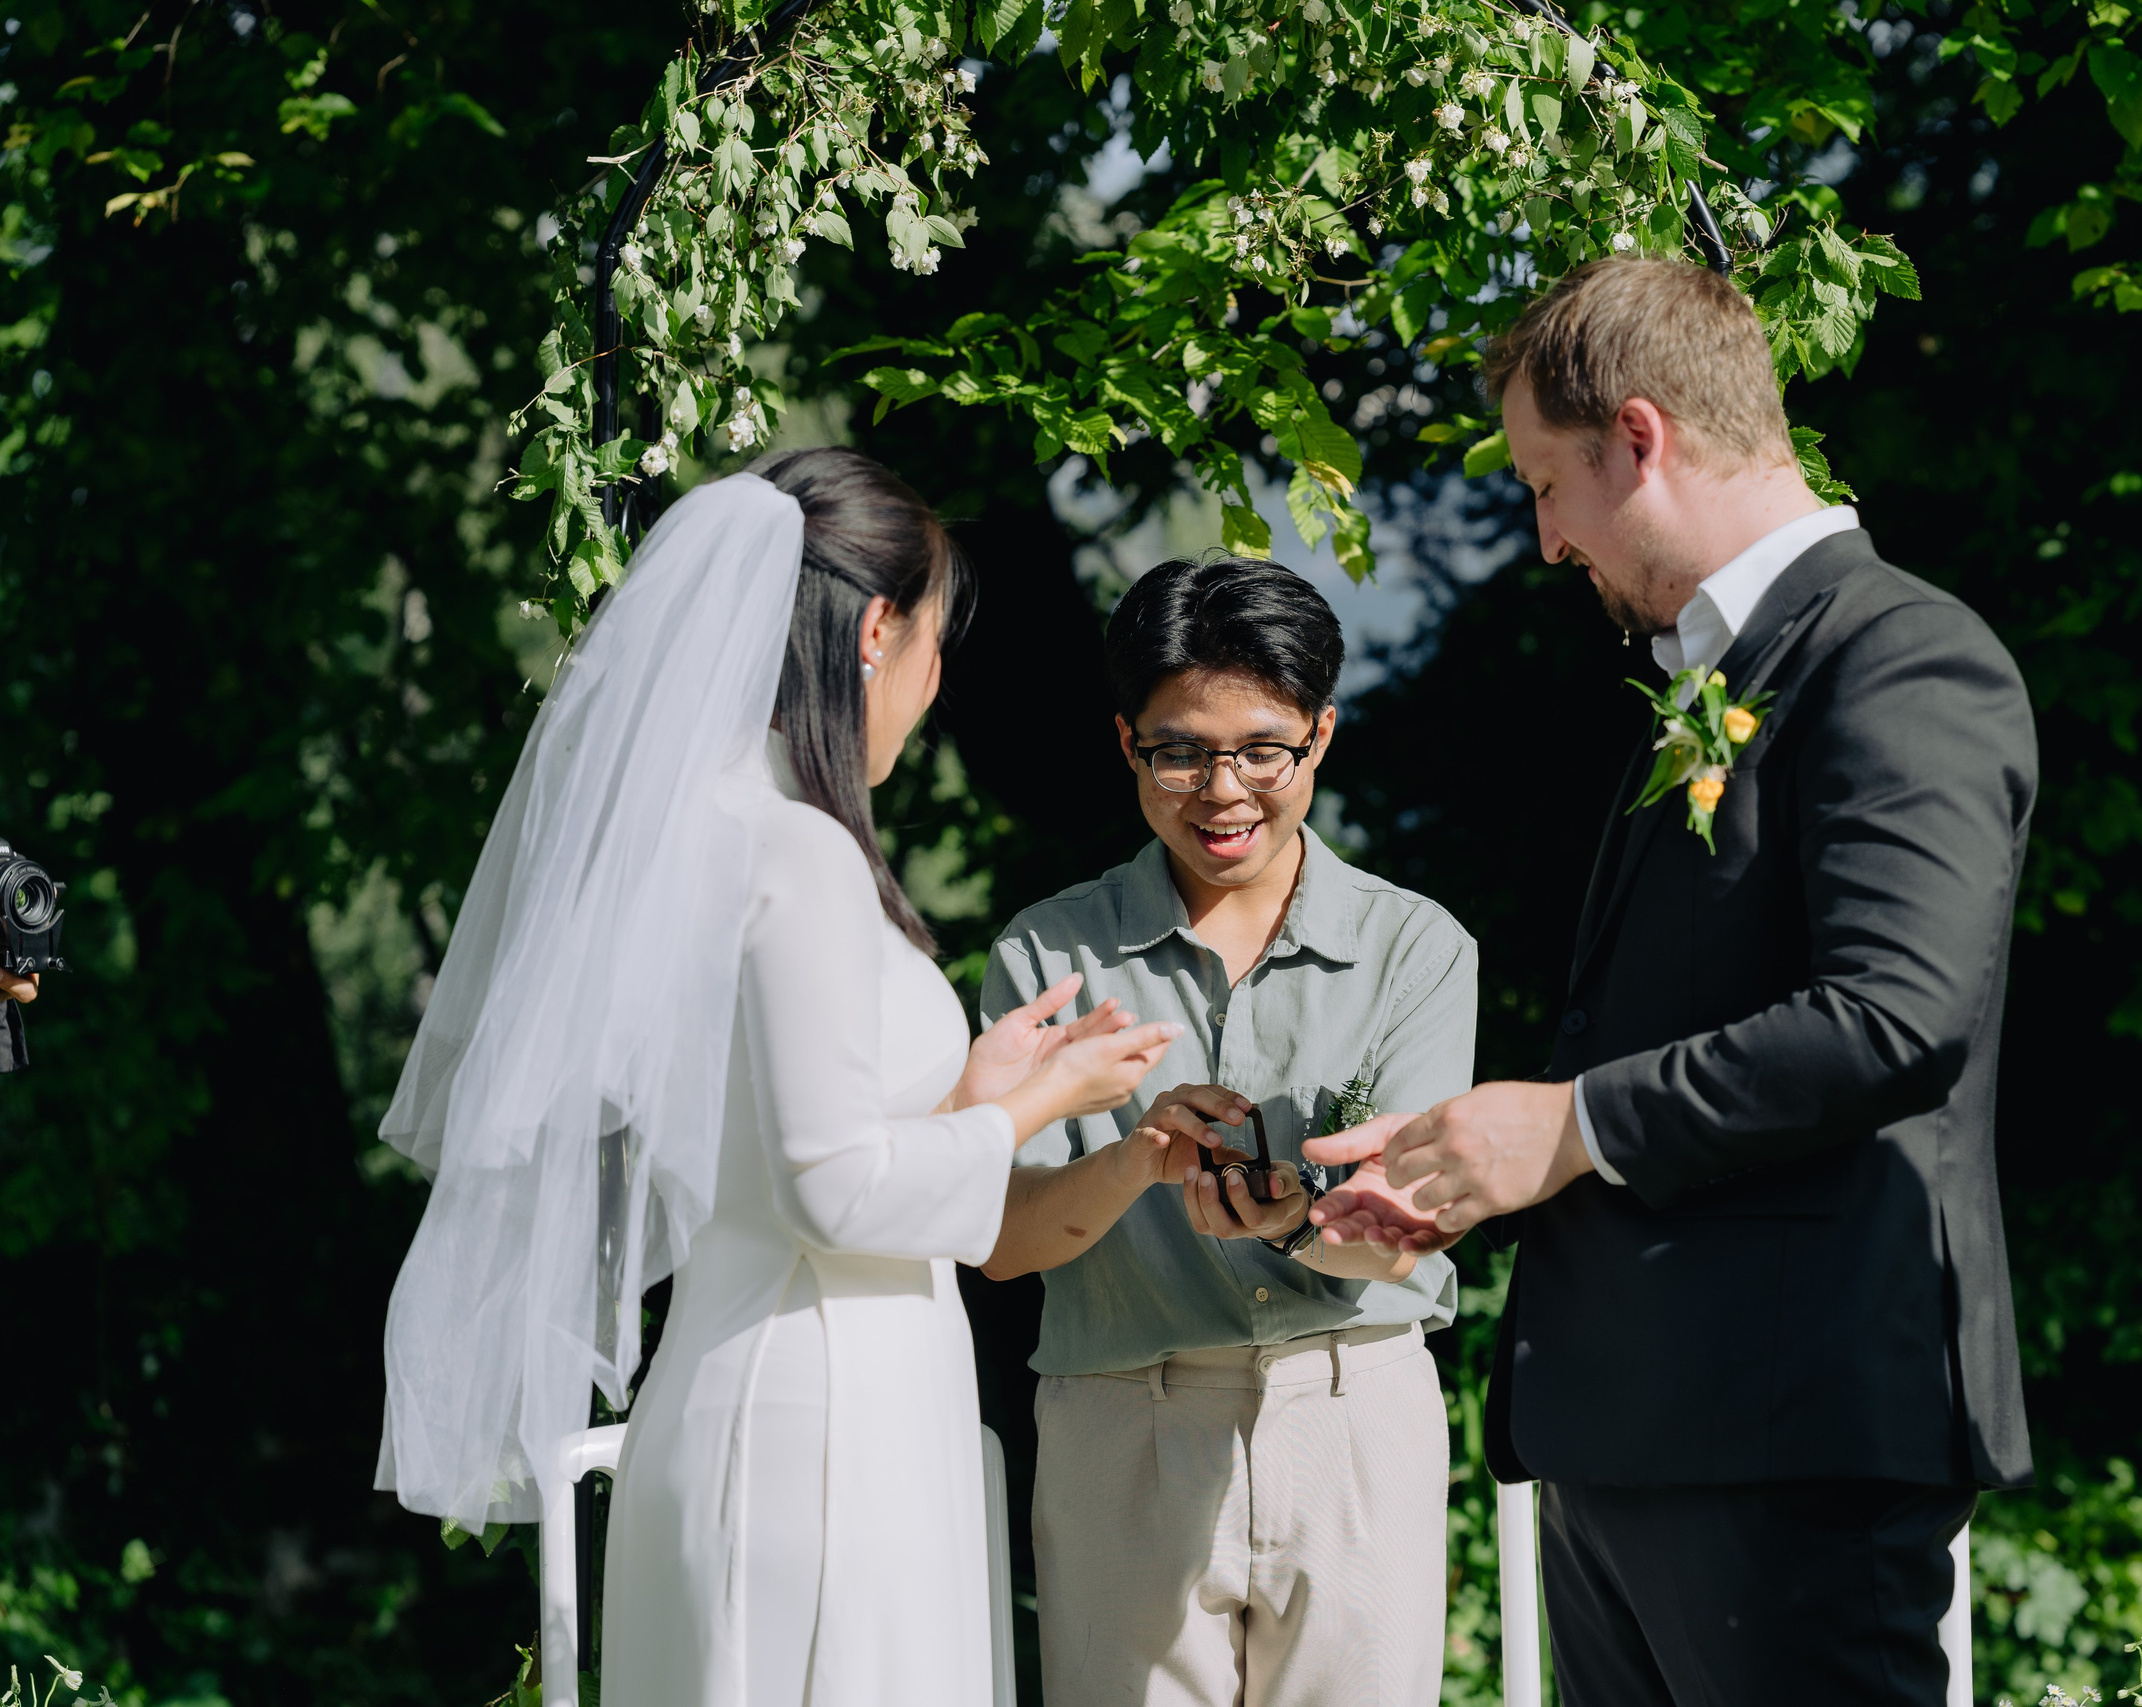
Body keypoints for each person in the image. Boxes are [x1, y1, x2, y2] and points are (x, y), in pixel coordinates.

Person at [1308, 256, 2039, 1705]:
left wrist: (1569, 1124)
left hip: (1790, 1441)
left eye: (1544, 484)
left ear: (1640, 438)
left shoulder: (1901, 656)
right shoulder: (1714, 676)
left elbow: (1896, 1017)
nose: (1546, 540)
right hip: (1639, 1437)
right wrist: (1470, 1167)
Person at [373, 451, 1181, 1707]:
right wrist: (1038, 1104)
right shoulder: (795, 855)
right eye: (932, 645)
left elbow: (783, 1141)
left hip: (751, 1389)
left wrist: (968, 1094)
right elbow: (832, 1194)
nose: (933, 685)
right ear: (874, 630)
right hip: (820, 1427)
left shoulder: (699, 833)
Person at [976, 554, 1476, 1707]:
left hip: (1356, 1412)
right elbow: (1003, 1241)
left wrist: (1301, 1221)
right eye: (1180, 751)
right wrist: (1136, 1159)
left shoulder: (1417, 948)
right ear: (1124, 743)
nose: (1221, 790)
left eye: (1262, 749)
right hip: (1120, 1426)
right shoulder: (1046, 954)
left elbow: (1404, 1239)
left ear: (1321, 737)